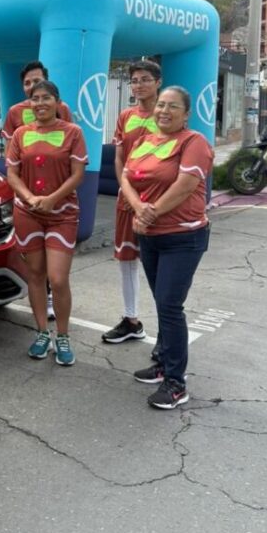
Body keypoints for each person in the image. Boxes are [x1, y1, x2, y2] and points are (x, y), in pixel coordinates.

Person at [120, 86, 213, 410]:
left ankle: (176, 383)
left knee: (170, 305)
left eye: (173, 106)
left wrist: (151, 212)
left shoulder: (194, 142)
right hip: (150, 236)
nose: (164, 111)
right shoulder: (145, 141)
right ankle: (162, 363)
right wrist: (138, 208)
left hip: (183, 237)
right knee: (163, 303)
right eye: (161, 105)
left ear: (186, 114)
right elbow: (126, 177)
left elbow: (185, 185)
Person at [6, 80, 87, 366]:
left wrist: (53, 199)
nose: (40, 103)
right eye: (35, 98)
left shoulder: (73, 132)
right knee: (35, 275)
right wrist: (29, 197)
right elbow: (12, 174)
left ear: (57, 102)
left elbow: (77, 174)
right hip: (27, 213)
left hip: (62, 213)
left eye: (46, 98)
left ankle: (62, 336)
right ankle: (42, 332)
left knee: (58, 278)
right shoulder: (21, 133)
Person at [1, 60, 74, 320]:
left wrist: (56, 194)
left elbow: (70, 151)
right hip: (27, 197)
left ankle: (53, 298)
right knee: (34, 263)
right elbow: (10, 155)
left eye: (37, 81)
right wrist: (24, 192)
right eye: (28, 83)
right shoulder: (15, 113)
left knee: (57, 267)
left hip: (58, 200)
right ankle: (42, 309)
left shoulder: (63, 111)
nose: (33, 86)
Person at [103, 60, 162, 345]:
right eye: (135, 80)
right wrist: (127, 191)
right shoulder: (126, 116)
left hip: (159, 203)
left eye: (145, 79)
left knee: (161, 266)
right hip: (128, 198)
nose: (139, 85)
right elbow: (119, 158)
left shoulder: (167, 114)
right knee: (127, 259)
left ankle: (167, 332)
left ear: (158, 82)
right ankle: (131, 320)